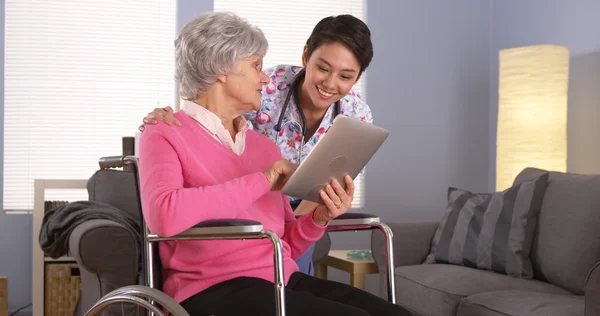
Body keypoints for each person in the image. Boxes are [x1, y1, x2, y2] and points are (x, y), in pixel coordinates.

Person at [139, 11, 409, 316]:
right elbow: (163, 216)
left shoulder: (262, 147)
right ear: (221, 69)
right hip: (211, 287)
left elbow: (287, 246)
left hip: (280, 277)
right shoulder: (164, 132)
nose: (264, 77)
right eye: (255, 66)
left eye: (346, 76)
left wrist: (319, 216)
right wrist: (263, 180)